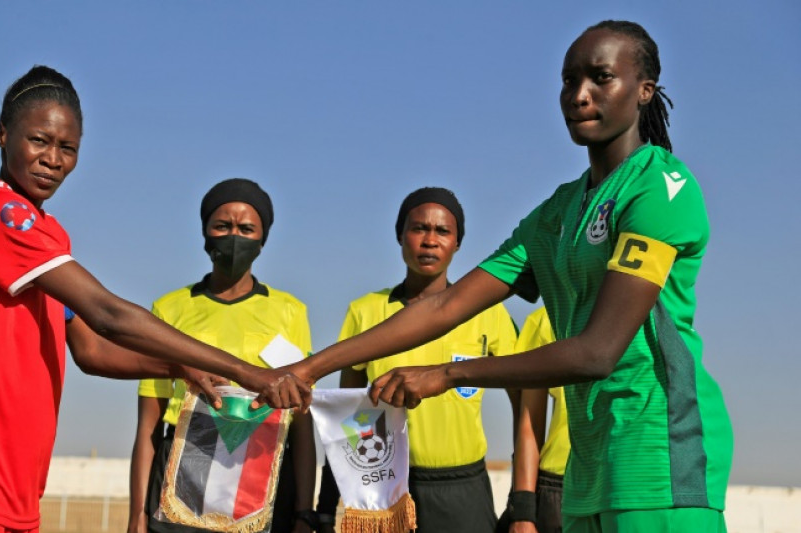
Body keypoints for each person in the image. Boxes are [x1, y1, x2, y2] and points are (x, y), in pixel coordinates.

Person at [292, 21, 733, 532]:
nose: (579, 95)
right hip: (589, 465)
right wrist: (308, 369)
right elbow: (444, 306)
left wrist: (447, 374)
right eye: (568, 80)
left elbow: (597, 352)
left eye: (601, 78)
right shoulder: (558, 212)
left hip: (660, 456)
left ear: (644, 90)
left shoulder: (661, 187)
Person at [0, 66, 310, 533]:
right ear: (1, 134)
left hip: (12, 485)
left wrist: (179, 368)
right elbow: (107, 315)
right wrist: (243, 371)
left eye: (67, 148)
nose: (52, 159)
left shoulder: (46, 236)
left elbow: (91, 349)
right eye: (38, 140)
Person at [316, 187, 518, 533]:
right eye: (419, 228)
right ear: (400, 235)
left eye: (442, 231)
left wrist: (522, 500)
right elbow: (346, 417)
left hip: (463, 489)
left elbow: (525, 405)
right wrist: (325, 508)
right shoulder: (365, 312)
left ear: (457, 243)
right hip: (384, 486)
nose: (430, 240)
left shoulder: (489, 313)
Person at [128, 178, 317, 533]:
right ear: (205, 232)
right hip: (184, 469)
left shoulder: (290, 311)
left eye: (246, 229)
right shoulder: (170, 308)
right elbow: (148, 425)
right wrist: (138, 514)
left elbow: (302, 423)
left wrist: (304, 512)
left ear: (262, 240)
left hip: (262, 471)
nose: (234, 237)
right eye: (222, 226)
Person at [495, 306, 568, 533]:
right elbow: (529, 423)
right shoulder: (545, 320)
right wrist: (523, 513)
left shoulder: (655, 308)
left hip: (635, 483)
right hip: (558, 487)